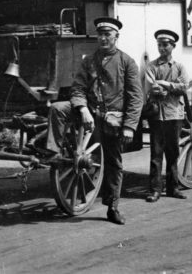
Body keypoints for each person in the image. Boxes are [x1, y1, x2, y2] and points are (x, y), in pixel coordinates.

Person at [48, 17, 143, 225]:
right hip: (89, 115)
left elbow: (136, 97)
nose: (103, 38)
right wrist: (82, 109)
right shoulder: (88, 61)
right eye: (100, 34)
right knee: (57, 108)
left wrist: (129, 127)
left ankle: (113, 207)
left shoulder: (127, 62)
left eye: (107, 34)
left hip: (112, 121)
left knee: (114, 163)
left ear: (116, 37)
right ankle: (54, 153)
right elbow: (78, 88)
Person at [145, 29, 188, 202]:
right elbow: (151, 88)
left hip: (174, 114)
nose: (162, 48)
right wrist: (170, 87)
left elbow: (184, 86)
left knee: (173, 152)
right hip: (157, 115)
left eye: (165, 45)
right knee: (156, 153)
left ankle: (173, 188)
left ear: (173, 46)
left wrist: (164, 84)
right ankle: (155, 190)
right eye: (159, 45)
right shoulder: (151, 67)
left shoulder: (179, 67)